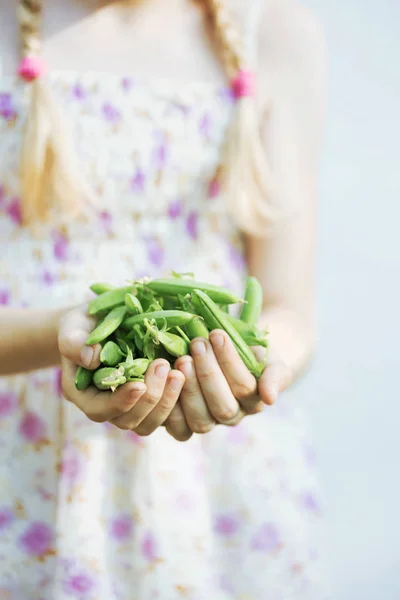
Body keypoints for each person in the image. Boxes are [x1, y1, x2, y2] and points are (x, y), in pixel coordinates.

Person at [0, 0, 328, 598]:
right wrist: (62, 331)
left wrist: (244, 370)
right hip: (19, 461)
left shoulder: (272, 32)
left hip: (214, 475)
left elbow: (288, 310)